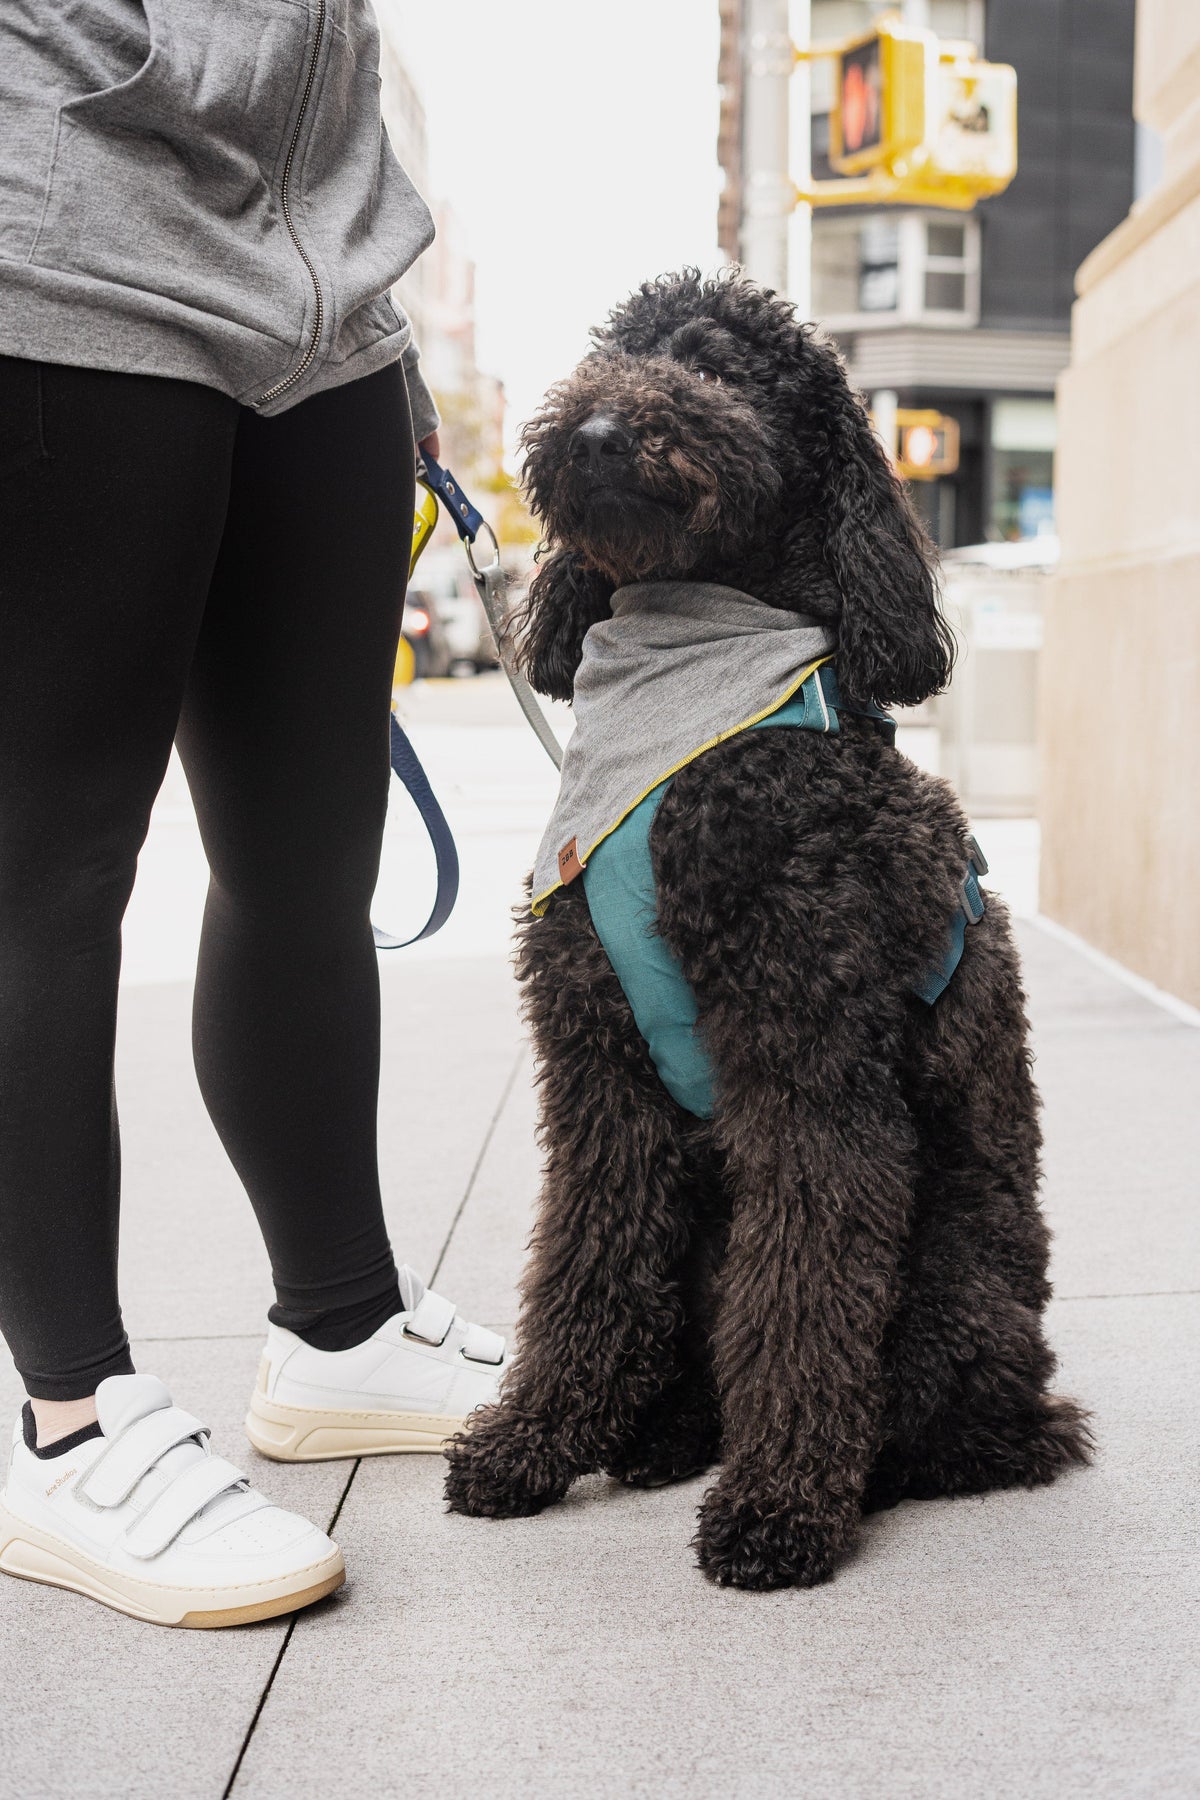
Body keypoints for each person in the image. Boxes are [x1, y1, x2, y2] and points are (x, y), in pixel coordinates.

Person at [0, 0, 507, 1629]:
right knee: (49, 863)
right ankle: (66, 1418)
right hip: (65, 247)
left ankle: (341, 1332)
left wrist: (379, 310)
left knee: (310, 853)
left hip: (329, 300)